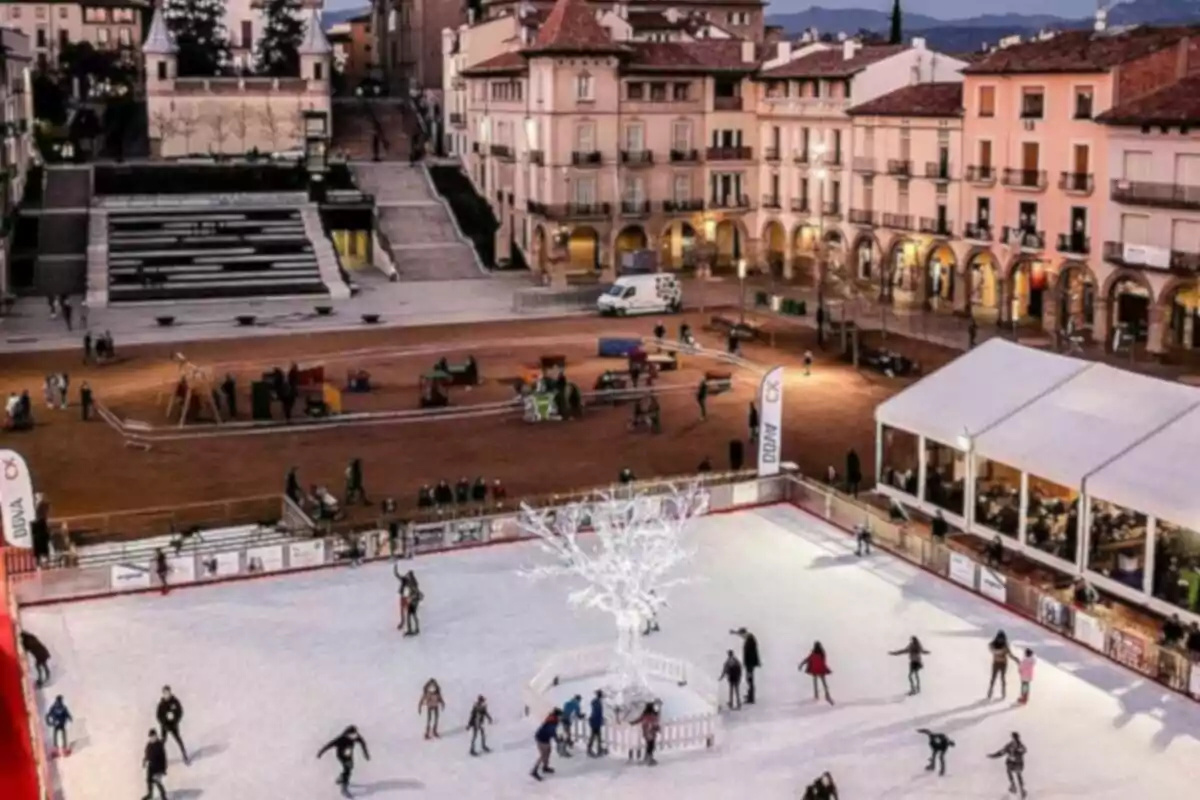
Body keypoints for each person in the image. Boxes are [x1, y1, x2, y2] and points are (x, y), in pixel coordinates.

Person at [317, 725, 370, 798]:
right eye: (352, 736)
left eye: (355, 735)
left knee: (349, 768)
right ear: (347, 734)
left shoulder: (356, 737)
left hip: (349, 756)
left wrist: (365, 754)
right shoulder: (340, 739)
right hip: (341, 756)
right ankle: (344, 788)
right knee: (348, 770)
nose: (354, 737)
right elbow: (329, 745)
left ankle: (341, 778)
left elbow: (363, 743)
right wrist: (320, 753)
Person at [989, 732, 1027, 798]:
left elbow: (1024, 750)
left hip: (1017, 763)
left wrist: (1017, 751)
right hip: (1012, 763)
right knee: (1011, 772)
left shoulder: (1019, 745)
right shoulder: (1011, 745)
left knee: (1017, 774)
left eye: (1015, 738)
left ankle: (1020, 789)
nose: (1014, 739)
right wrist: (993, 755)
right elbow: (1002, 752)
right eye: (1014, 737)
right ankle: (1014, 786)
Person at [156, 686, 189, 764]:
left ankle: (185, 756)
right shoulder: (161, 704)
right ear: (163, 694)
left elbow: (180, 711)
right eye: (165, 693)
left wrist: (176, 720)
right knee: (163, 742)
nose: (167, 695)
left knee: (178, 740)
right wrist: (164, 723)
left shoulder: (175, 701)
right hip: (164, 726)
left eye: (168, 693)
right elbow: (158, 715)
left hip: (173, 725)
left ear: (170, 692)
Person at [531, 708, 561, 781]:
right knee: (543, 755)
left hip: (545, 738)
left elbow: (552, 731)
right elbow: (552, 732)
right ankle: (534, 771)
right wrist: (557, 739)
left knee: (548, 751)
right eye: (560, 715)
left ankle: (545, 767)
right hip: (542, 739)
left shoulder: (552, 719)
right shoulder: (552, 721)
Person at [628, 700, 661, 766]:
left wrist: (632, 723)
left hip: (646, 733)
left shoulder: (644, 715)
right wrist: (657, 728)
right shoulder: (654, 715)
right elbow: (656, 722)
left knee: (649, 745)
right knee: (651, 746)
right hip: (652, 732)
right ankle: (649, 758)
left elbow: (638, 720)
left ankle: (647, 758)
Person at [733, 627, 761, 704]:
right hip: (750, 663)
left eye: (741, 635)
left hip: (750, 664)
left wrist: (749, 665)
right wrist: (735, 632)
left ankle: (751, 697)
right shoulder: (749, 638)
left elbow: (751, 654)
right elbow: (741, 635)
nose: (741, 637)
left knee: (750, 679)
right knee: (749, 679)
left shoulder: (750, 640)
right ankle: (750, 695)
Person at [143, 729, 169, 800]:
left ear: (156, 736)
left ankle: (164, 797)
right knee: (149, 780)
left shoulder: (159, 745)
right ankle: (150, 794)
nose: (152, 738)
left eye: (153, 736)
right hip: (151, 766)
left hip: (158, 767)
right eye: (151, 737)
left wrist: (163, 770)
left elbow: (163, 757)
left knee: (157, 782)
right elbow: (146, 754)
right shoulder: (149, 745)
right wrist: (144, 761)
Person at [987, 631, 1013, 700]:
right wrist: (1001, 651)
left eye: (1002, 639)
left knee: (1002, 677)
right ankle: (991, 690)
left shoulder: (1005, 645)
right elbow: (991, 648)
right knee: (993, 677)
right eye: (999, 639)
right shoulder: (993, 644)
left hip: (1003, 664)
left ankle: (1003, 691)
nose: (1000, 641)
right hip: (996, 663)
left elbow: (1010, 654)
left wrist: (1016, 659)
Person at [586, 690, 605, 757]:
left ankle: (592, 749)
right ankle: (597, 749)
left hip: (594, 721)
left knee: (595, 736)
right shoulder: (598, 703)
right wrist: (601, 719)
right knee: (596, 736)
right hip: (596, 722)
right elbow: (598, 713)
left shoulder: (595, 702)